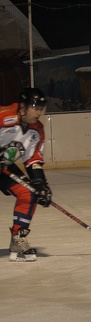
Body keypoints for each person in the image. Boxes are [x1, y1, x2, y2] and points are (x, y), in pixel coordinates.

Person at [0, 87, 52, 262]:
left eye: (41, 109)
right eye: (35, 108)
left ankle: (17, 239)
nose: (38, 113)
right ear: (23, 107)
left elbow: (33, 160)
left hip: (3, 167)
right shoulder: (3, 116)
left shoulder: (37, 130)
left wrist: (40, 183)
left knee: (29, 192)